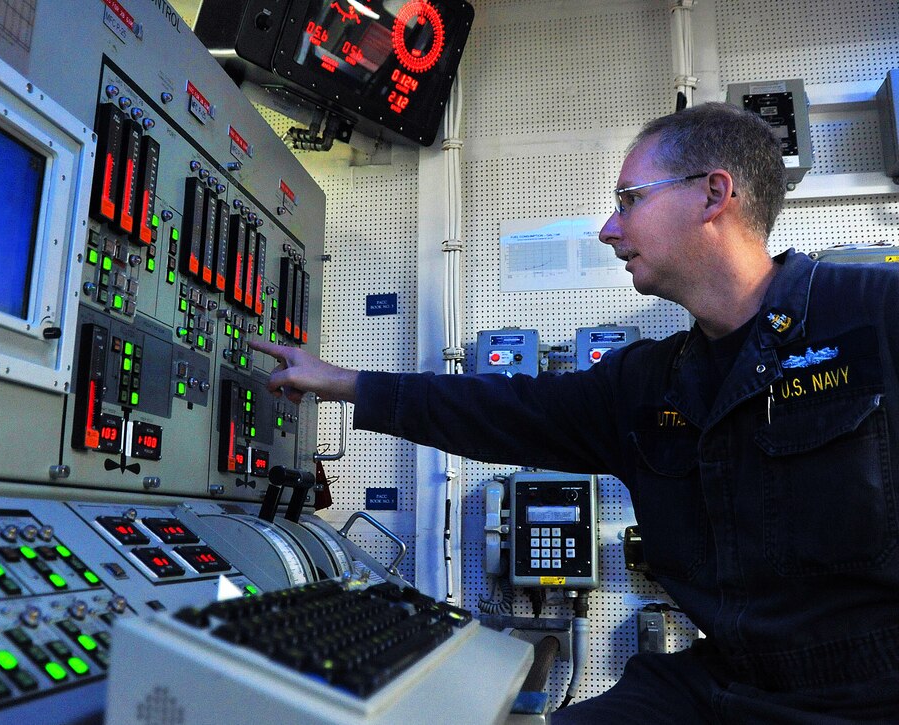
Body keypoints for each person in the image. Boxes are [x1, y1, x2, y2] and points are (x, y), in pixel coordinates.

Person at [250, 102, 899, 722]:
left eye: (629, 200)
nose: (609, 228)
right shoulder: (650, 381)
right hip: (721, 682)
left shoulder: (875, 314)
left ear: (712, 194)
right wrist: (344, 382)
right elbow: (505, 408)